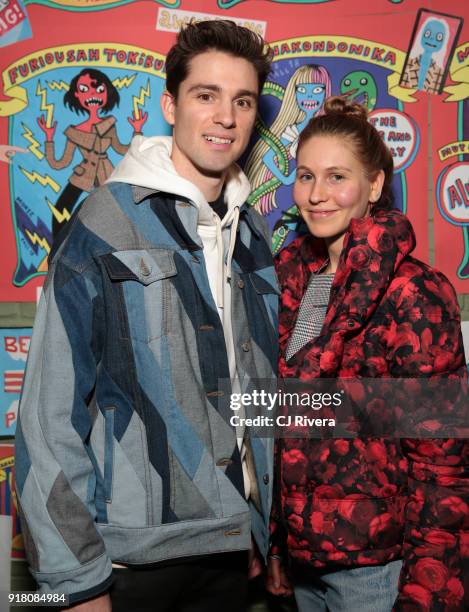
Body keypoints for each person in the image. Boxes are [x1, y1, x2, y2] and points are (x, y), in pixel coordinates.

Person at [15, 20, 278, 612]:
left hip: (236, 552)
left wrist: (266, 525)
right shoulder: (102, 226)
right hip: (132, 563)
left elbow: (255, 394)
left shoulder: (253, 232)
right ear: (170, 104)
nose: (225, 118)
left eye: (241, 101)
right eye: (205, 96)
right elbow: (47, 420)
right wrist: (74, 586)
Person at [267, 97, 468, 611]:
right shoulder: (288, 279)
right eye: (306, 176)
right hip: (304, 561)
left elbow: (443, 459)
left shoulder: (412, 291)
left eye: (337, 177)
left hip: (381, 570)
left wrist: (428, 589)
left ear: (375, 185)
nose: (316, 195)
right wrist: (275, 543)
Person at [37, 68, 147, 238]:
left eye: (99, 90)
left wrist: (137, 131)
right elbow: (59, 163)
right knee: (61, 210)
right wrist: (49, 138)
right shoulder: (73, 131)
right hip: (82, 175)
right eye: (83, 90)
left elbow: (121, 149)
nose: (92, 94)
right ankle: (60, 251)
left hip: (107, 175)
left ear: (107, 94)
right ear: (76, 95)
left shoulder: (108, 125)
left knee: (118, 213)